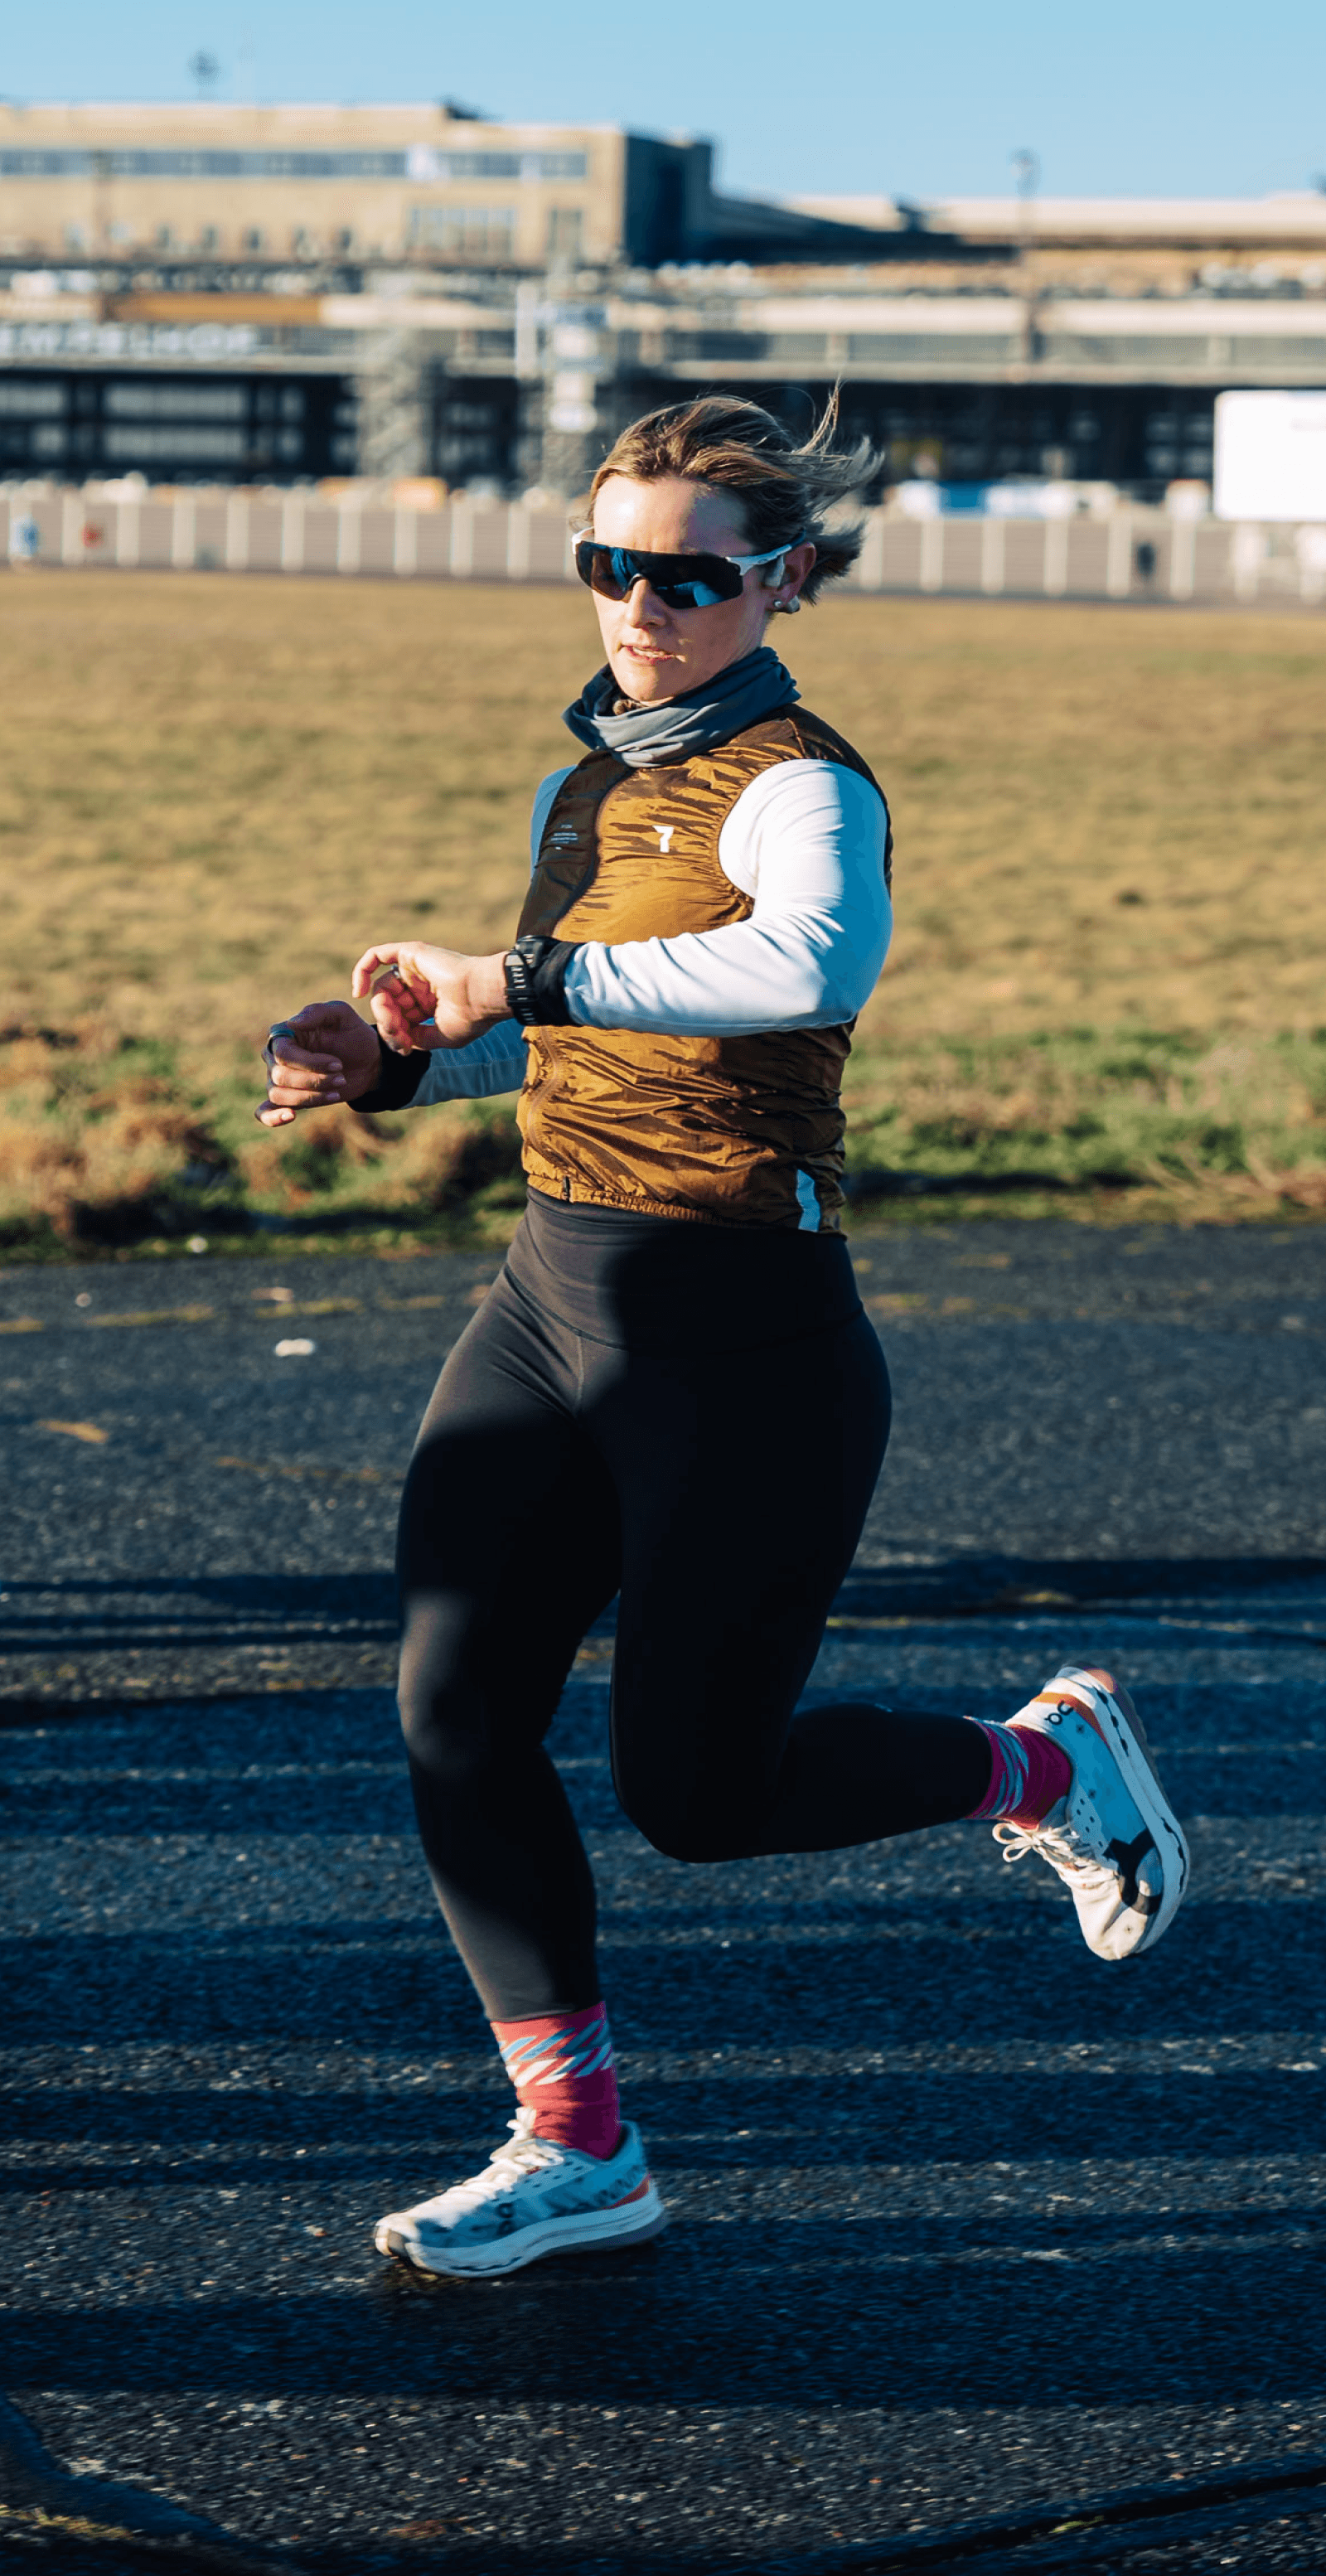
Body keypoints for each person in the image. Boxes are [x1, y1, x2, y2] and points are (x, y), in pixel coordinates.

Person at [258, 396, 1189, 2281]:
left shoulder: (802, 783)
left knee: (697, 1799)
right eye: (608, 564)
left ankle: (1042, 1768)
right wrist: (405, 1061)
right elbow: (587, 1027)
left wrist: (510, 973)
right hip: (547, 1298)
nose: (640, 605)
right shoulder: (586, 786)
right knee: (453, 1714)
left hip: (739, 1334)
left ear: (787, 581)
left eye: (687, 577)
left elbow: (803, 965)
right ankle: (576, 2145)